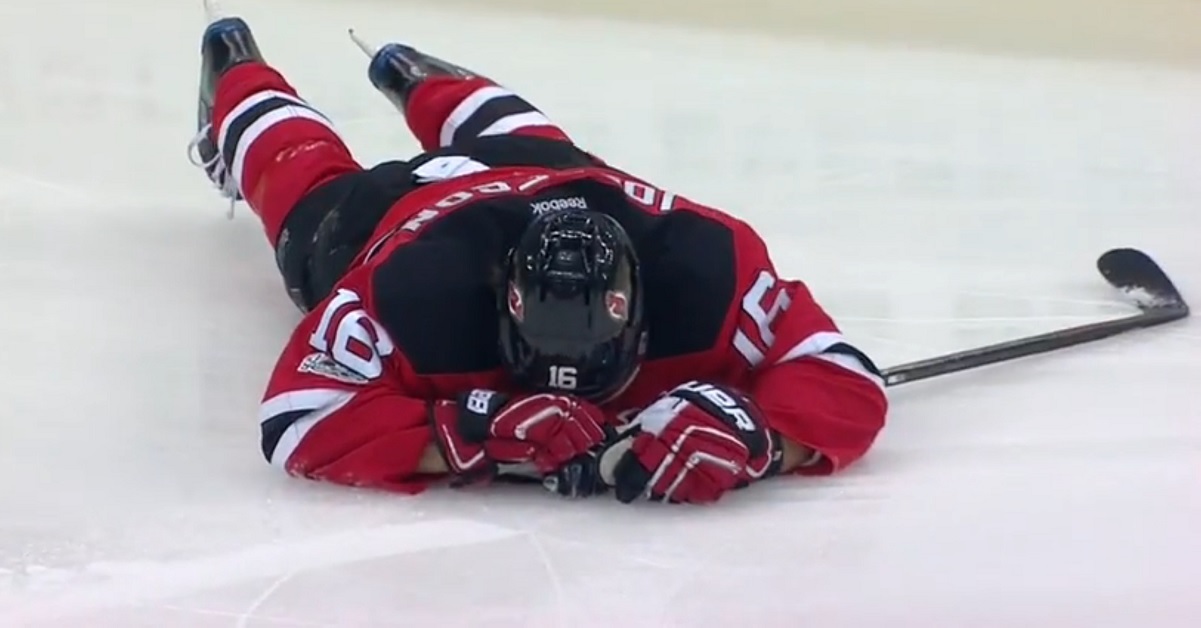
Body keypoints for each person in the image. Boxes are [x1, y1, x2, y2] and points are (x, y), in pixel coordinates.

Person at [187, 14, 889, 505]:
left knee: (538, 146)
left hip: (558, 177)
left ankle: (425, 80)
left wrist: (758, 438)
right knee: (301, 182)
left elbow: (846, 378)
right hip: (396, 214)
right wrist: (470, 434)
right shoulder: (408, 290)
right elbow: (296, 422)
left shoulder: (708, 269)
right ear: (499, 300)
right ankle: (244, 81)